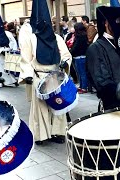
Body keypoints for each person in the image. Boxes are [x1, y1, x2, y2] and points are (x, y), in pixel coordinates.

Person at [19, 0, 72, 145]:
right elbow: (25, 59)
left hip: (55, 76)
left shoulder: (57, 38)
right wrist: (28, 75)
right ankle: (40, 135)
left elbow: (66, 55)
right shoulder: (31, 39)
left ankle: (58, 132)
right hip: (39, 76)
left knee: (58, 104)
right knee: (40, 108)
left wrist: (64, 63)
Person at [0, 3, 18, 88]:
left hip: (7, 54)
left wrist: (11, 50)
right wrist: (0, 51)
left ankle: (9, 81)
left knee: (8, 69)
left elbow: (13, 42)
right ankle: (0, 82)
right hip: (0, 56)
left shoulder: (8, 33)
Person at [70, 22, 89, 94]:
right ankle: (82, 86)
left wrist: (71, 51)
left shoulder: (79, 37)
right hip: (81, 55)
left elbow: (76, 46)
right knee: (81, 72)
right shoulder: (84, 35)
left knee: (82, 72)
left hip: (79, 56)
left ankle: (83, 87)